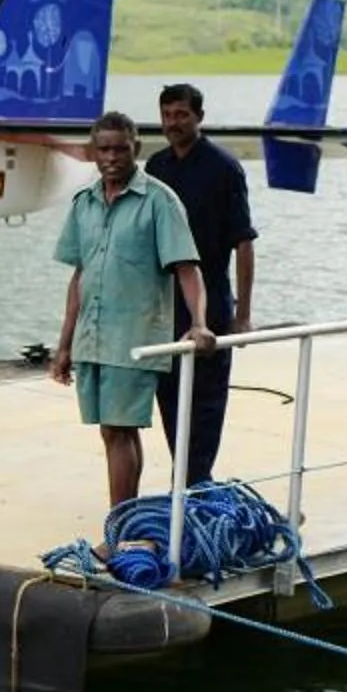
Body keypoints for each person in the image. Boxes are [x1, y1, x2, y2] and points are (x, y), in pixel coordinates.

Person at [51, 111, 213, 505]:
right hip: (93, 338)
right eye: (103, 149)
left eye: (120, 149)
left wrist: (200, 323)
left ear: (136, 149)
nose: (111, 158)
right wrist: (65, 344)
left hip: (134, 337)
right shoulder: (84, 203)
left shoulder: (159, 200)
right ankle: (126, 521)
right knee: (113, 432)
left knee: (120, 429)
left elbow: (187, 269)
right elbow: (80, 276)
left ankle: (118, 529)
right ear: (92, 153)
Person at [143, 82, 255, 487]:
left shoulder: (225, 168)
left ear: (199, 118)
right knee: (169, 397)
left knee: (205, 402)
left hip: (213, 301)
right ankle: (188, 484)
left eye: (182, 116)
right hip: (165, 302)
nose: (173, 123)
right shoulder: (155, 168)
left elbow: (243, 241)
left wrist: (243, 317)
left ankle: (194, 486)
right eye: (167, 115)